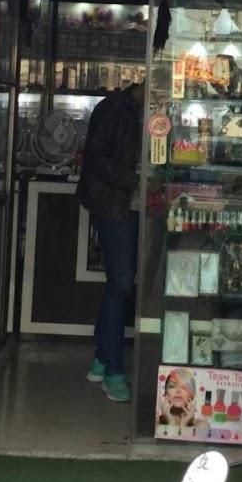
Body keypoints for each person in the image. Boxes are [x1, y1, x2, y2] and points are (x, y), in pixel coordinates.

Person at [76, 78, 146, 402]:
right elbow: (94, 158)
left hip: (144, 209)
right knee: (121, 285)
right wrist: (134, 180)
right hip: (116, 207)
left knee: (120, 285)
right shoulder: (114, 109)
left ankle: (103, 358)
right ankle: (114, 371)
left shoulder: (160, 112)